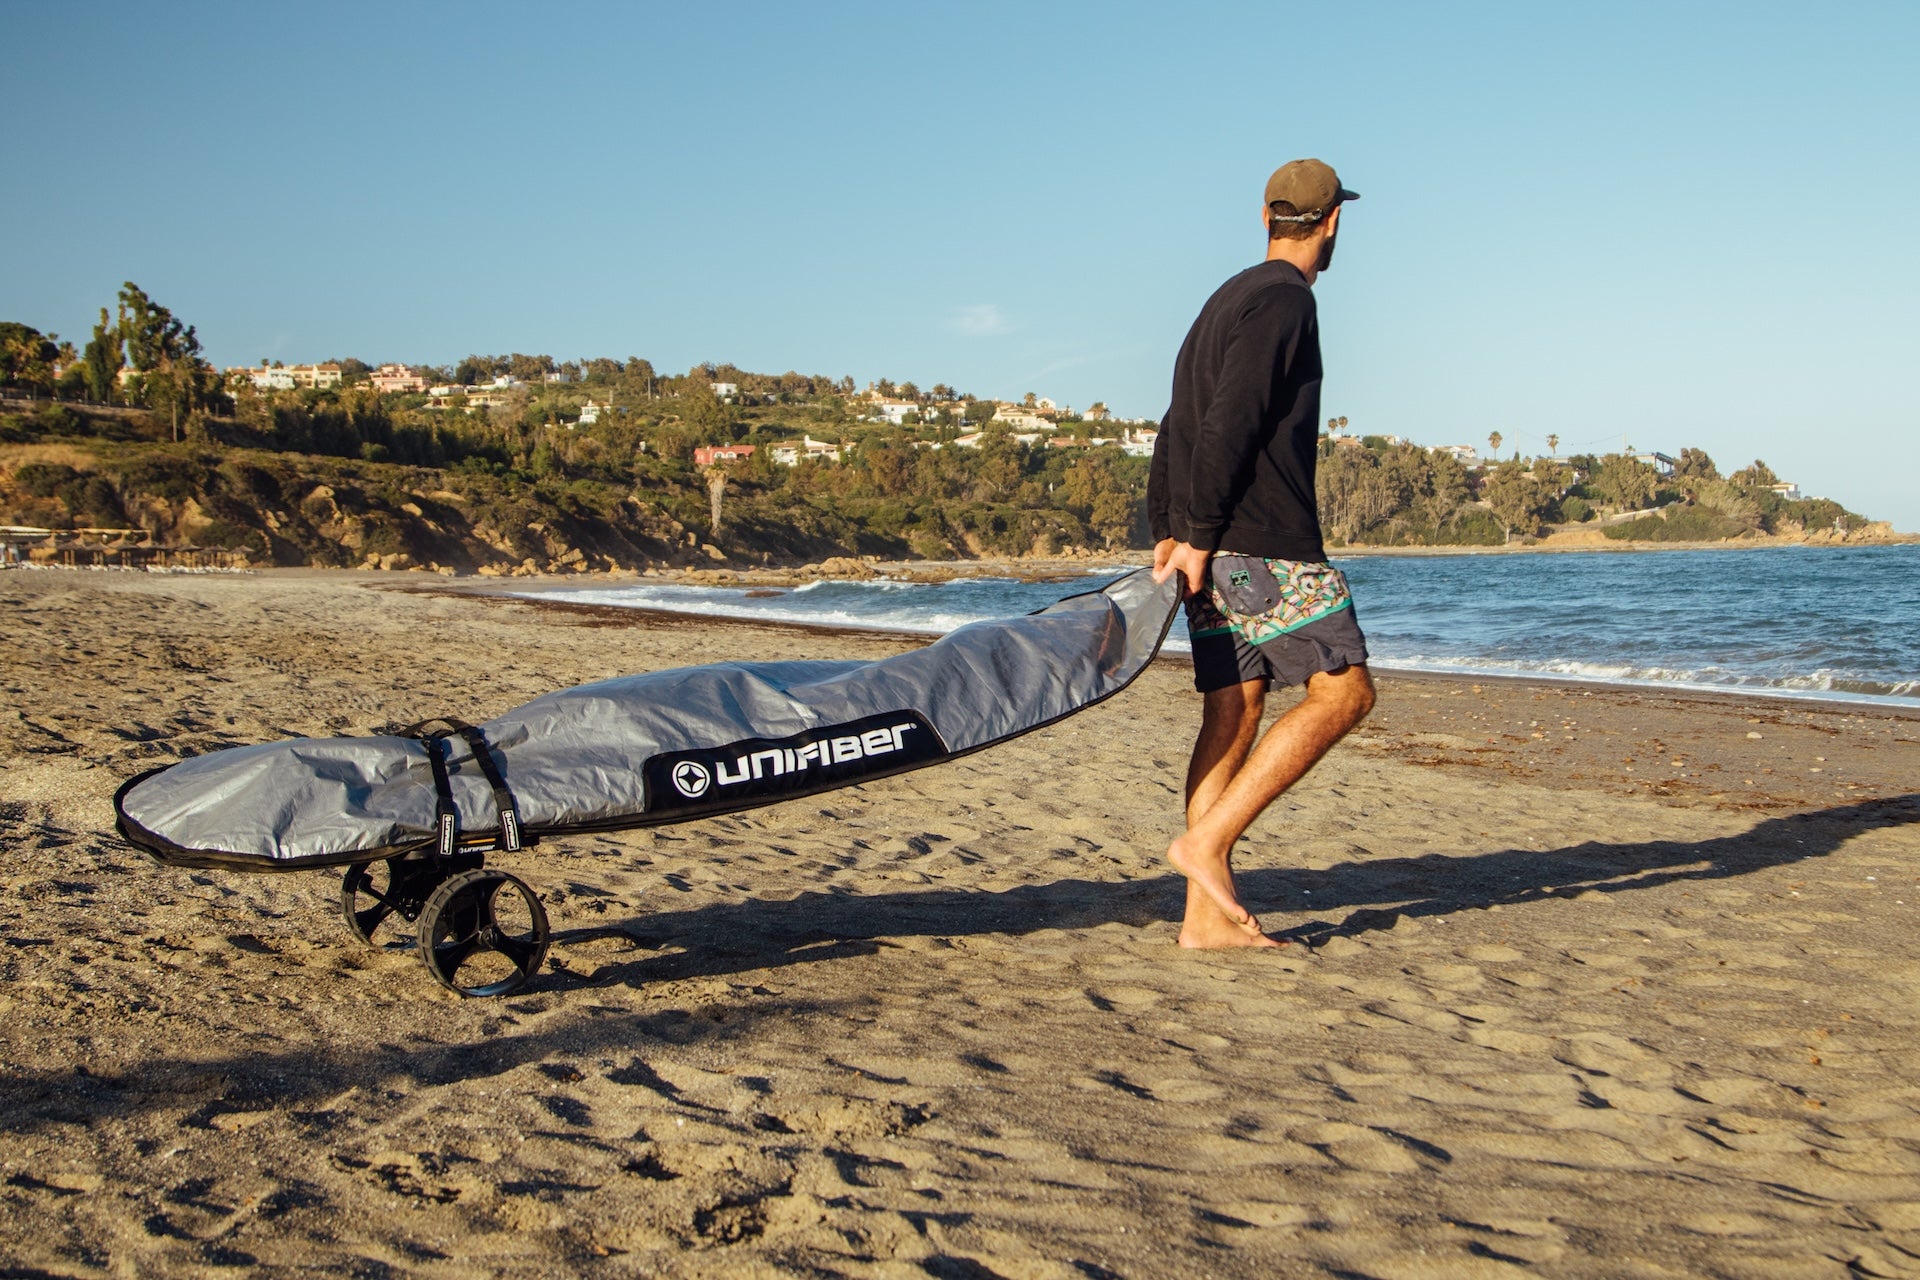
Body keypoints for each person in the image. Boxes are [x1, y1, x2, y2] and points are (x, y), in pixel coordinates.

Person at [1148, 158, 1376, 949]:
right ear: (1333, 222)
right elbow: (1228, 423)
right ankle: (1205, 846)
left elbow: (1175, 424)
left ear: (1266, 216)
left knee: (1234, 708)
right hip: (1257, 541)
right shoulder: (1285, 303)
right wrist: (1203, 536)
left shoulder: (1225, 299)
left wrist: (1171, 532)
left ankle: (1204, 919)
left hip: (1210, 542)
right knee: (1344, 695)